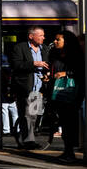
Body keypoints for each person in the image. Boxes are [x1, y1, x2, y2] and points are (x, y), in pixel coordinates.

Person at [44, 31, 83, 162]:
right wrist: (48, 75)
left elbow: (81, 71)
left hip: (72, 93)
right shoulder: (54, 54)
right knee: (64, 122)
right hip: (58, 92)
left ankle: (70, 152)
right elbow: (53, 70)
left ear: (66, 41)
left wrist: (66, 73)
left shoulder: (76, 55)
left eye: (58, 39)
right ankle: (67, 151)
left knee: (70, 122)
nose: (55, 42)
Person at [7, 28, 44, 149]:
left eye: (43, 35)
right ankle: (28, 141)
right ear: (31, 36)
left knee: (34, 115)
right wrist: (34, 64)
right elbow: (16, 65)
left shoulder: (44, 49)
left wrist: (47, 74)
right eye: (40, 35)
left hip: (38, 87)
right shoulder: (20, 48)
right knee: (27, 115)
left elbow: (47, 64)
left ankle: (29, 139)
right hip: (25, 87)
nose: (43, 38)